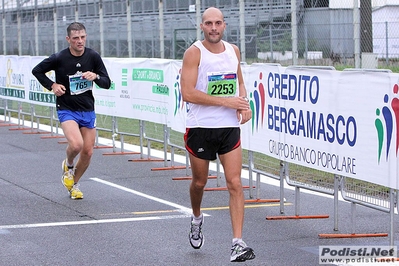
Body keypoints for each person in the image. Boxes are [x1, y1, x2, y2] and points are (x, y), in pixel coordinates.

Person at [180, 7, 255, 263]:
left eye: (218, 23)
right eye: (209, 23)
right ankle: (197, 217)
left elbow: (240, 81)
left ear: (224, 25)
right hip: (200, 127)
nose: (214, 28)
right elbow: (187, 93)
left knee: (234, 182)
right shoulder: (194, 53)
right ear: (202, 26)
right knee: (199, 183)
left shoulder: (233, 50)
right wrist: (227, 102)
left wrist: (243, 104)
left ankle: (237, 243)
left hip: (228, 128)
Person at [32, 22, 111, 200]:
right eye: (75, 38)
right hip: (67, 107)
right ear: (68, 39)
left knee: (88, 151)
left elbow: (107, 82)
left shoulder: (93, 56)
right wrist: (52, 85)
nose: (80, 41)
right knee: (76, 145)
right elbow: (37, 70)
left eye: (82, 37)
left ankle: (74, 184)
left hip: (87, 109)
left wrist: (96, 76)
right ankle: (68, 165)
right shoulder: (59, 58)